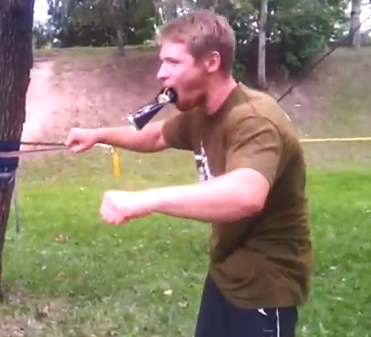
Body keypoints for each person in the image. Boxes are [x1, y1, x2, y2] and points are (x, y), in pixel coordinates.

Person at [64, 9, 313, 337]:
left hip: (266, 283)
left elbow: (246, 195)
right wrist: (98, 134)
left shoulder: (253, 119)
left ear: (211, 62)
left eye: (172, 62)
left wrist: (144, 200)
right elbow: (156, 135)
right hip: (226, 272)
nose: (160, 73)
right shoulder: (202, 114)